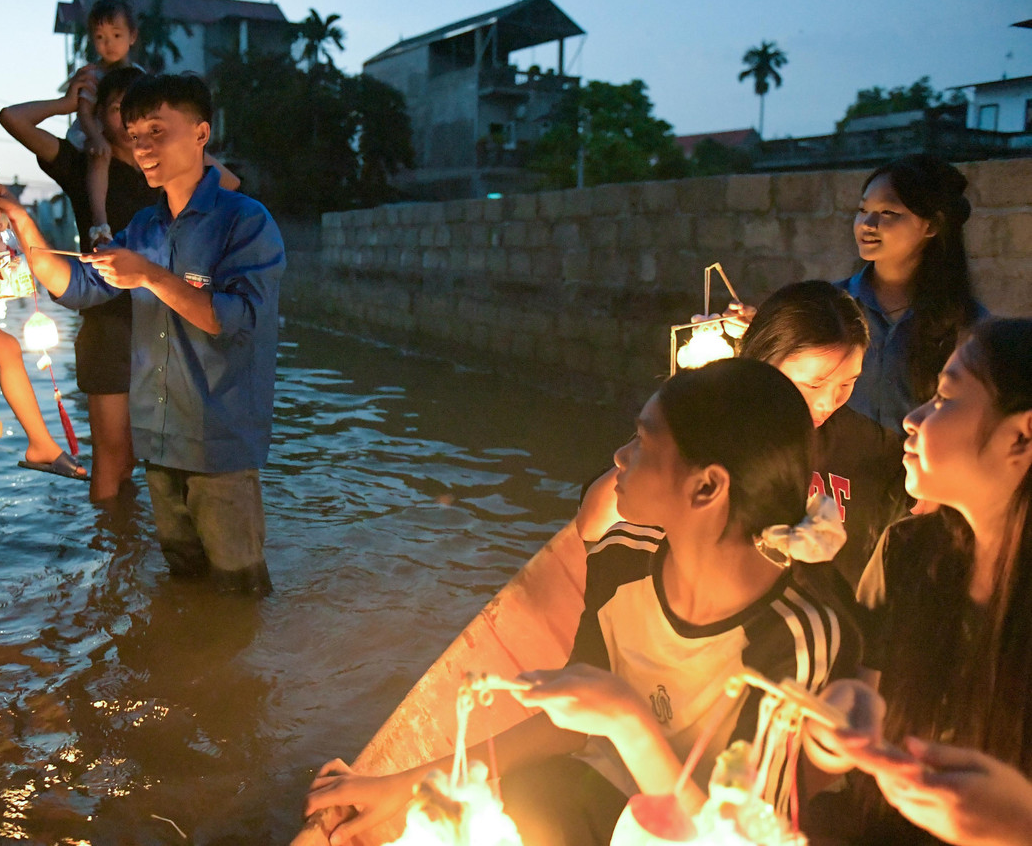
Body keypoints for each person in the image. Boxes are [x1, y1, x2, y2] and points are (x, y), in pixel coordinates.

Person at [305, 359, 858, 846]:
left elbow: (742, 834)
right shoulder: (621, 558)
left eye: (643, 443)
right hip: (595, 801)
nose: (620, 456)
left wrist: (629, 721)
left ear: (706, 488)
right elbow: (570, 722)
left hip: (696, 832)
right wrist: (406, 784)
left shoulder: (796, 635)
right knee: (531, 794)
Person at [3, 73, 284, 594]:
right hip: (158, 438)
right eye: (135, 136)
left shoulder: (244, 221)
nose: (144, 147)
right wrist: (21, 221)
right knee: (184, 581)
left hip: (218, 444)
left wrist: (150, 275)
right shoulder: (144, 228)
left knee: (239, 590)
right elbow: (82, 285)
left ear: (200, 133)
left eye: (157, 130)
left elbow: (238, 320)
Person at [805, 318, 1032, 846]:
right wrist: (836, 732)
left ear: (1020, 436)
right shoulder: (908, 553)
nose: (912, 418)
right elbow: (859, 718)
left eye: (945, 399)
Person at [739, 280, 909, 586]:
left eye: (847, 383)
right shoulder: (715, 437)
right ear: (763, 359)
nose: (829, 403)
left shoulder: (873, 449)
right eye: (813, 384)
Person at [840, 153, 983, 431]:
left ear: (932, 225)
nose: (867, 223)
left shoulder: (967, 324)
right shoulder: (831, 305)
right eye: (862, 210)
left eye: (888, 213)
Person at [70, 0, 140, 241]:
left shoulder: (138, 75)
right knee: (100, 155)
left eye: (116, 35)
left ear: (132, 36)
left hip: (127, 137)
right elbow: (84, 113)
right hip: (93, 133)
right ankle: (100, 224)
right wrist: (97, 137)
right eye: (100, 37)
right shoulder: (92, 74)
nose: (109, 44)